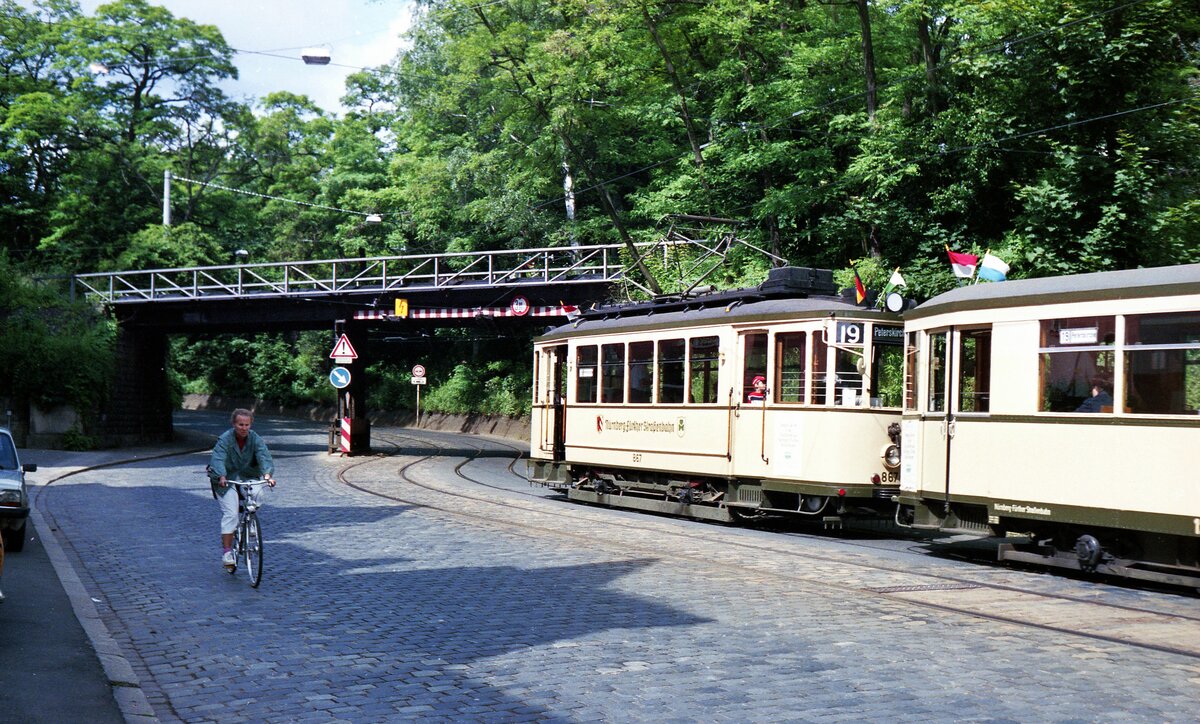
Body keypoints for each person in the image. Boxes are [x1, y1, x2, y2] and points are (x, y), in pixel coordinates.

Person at [208, 409, 276, 569]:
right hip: (227, 480)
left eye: (247, 425)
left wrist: (267, 475)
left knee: (259, 493)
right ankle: (227, 552)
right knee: (231, 515)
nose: (243, 428)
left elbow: (263, 456)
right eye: (240, 424)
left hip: (248, 476)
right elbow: (218, 458)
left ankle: (250, 519)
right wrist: (221, 475)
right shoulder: (225, 439)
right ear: (234, 424)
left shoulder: (255, 439)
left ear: (250, 425)